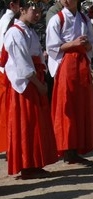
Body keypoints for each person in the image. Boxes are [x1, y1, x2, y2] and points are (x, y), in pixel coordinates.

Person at [3, 0, 58, 179]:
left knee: (36, 123)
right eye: (34, 10)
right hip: (25, 85)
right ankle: (26, 165)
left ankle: (35, 162)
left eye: (39, 12)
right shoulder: (14, 33)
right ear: (22, 10)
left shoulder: (30, 32)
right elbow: (22, 64)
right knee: (26, 124)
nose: (37, 15)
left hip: (35, 80)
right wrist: (37, 83)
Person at [46, 0, 93, 166]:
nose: (66, 1)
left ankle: (77, 148)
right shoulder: (57, 19)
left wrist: (87, 45)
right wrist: (73, 44)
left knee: (81, 106)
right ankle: (68, 149)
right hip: (66, 65)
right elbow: (52, 47)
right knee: (67, 107)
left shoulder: (84, 18)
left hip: (81, 64)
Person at [0, 0, 19, 153]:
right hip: (7, 70)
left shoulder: (6, 20)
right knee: (9, 111)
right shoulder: (9, 22)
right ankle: (10, 146)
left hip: (4, 69)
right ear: (13, 4)